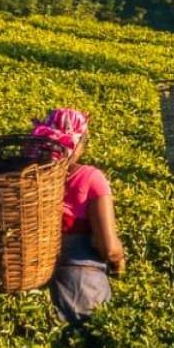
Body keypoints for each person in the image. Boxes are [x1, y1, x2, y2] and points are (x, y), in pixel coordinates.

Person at [30, 107, 126, 328]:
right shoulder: (90, 178)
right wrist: (119, 259)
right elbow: (109, 248)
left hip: (34, 287)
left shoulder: (28, 178)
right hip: (81, 289)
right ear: (79, 143)